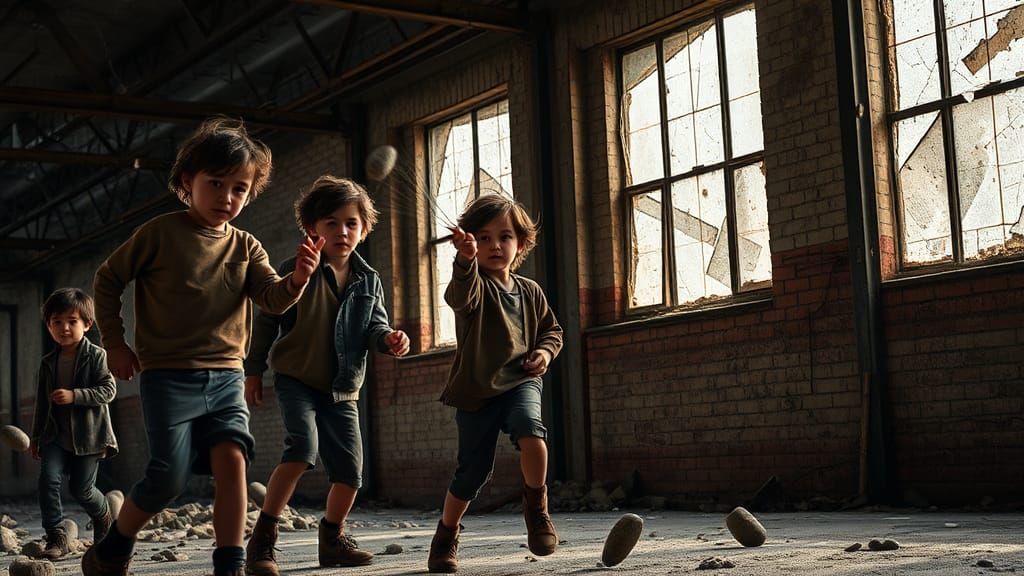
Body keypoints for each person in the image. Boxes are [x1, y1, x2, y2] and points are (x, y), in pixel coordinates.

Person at [84, 117, 323, 576]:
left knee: (233, 462)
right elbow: (108, 279)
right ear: (186, 182)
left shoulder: (247, 247)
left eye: (239, 189)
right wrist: (114, 343)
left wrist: (298, 280)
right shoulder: (159, 234)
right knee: (167, 478)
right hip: (168, 377)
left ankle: (229, 564)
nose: (226, 198)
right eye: (216, 184)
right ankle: (114, 546)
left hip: (226, 378)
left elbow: (271, 297)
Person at [243, 175, 410, 575]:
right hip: (296, 377)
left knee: (351, 475)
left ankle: (332, 538)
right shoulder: (294, 268)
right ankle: (262, 540)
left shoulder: (369, 280)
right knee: (302, 449)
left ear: (365, 228)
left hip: (342, 386)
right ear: (312, 228)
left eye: (351, 223)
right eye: (331, 223)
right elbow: (267, 321)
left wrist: (389, 338)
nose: (342, 231)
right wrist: (253, 371)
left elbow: (375, 325)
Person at [427, 193, 563, 573]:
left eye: (504, 236)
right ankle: (446, 533)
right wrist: (464, 260)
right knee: (471, 473)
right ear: (470, 242)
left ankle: (537, 510)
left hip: (521, 381)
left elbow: (553, 331)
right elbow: (458, 295)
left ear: (520, 243)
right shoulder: (474, 288)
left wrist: (545, 354)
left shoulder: (530, 291)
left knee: (531, 431)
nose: (495, 245)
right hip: (476, 392)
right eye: (483, 238)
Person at [30, 288, 118, 559]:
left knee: (82, 489)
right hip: (55, 434)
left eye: (72, 321)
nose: (64, 328)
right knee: (48, 480)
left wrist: (75, 395)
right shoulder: (47, 363)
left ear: (87, 324)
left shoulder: (97, 356)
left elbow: (108, 390)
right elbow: (42, 404)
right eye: (57, 322)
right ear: (48, 326)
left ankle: (104, 517)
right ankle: (56, 536)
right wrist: (35, 437)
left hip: (89, 435)